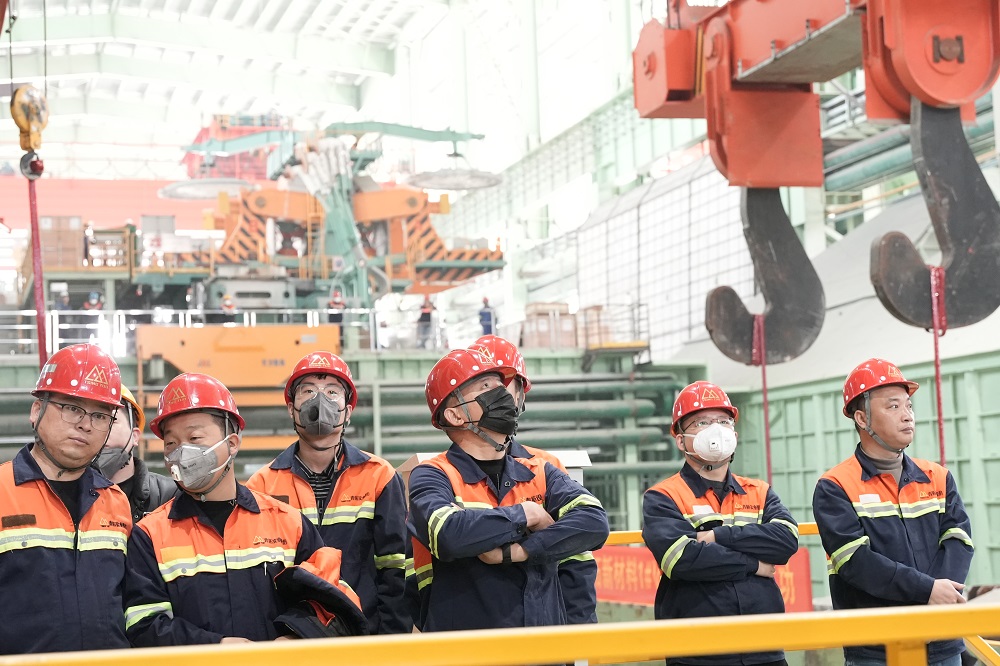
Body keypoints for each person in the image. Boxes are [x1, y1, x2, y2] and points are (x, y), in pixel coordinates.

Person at [124, 372, 368, 645]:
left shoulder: (289, 524)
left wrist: (296, 636)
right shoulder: (150, 536)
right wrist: (215, 647)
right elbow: (144, 625)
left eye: (194, 437)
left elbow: (333, 598)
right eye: (171, 443)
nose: (181, 451)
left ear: (232, 444)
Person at [407, 348, 609, 631]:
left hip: (542, 646)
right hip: (467, 648)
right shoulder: (434, 474)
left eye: (500, 385)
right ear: (454, 415)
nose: (502, 393)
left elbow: (594, 522)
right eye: (485, 386)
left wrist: (519, 550)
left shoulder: (539, 470)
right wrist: (527, 514)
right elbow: (449, 534)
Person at [813, 358, 973, 666]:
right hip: (876, 649)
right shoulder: (835, 486)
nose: (907, 415)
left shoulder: (938, 477)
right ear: (862, 418)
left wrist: (938, 600)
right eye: (893, 406)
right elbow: (855, 562)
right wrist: (927, 591)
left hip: (942, 642)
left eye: (909, 406)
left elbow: (959, 539)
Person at [247, 352, 410, 634]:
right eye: (308, 391)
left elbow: (395, 569)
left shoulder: (379, 476)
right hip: (292, 637)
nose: (320, 400)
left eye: (332, 392)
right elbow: (257, 579)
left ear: (348, 410)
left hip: (364, 634)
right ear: (291, 408)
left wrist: (389, 640)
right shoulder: (262, 486)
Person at [642, 380, 798, 666]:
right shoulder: (664, 496)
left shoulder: (759, 491)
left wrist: (719, 536)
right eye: (702, 422)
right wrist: (754, 564)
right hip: (697, 652)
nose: (716, 430)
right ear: (680, 440)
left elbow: (785, 541)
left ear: (734, 434)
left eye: (723, 421)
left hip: (764, 648)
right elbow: (681, 560)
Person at [0, 343, 132, 653]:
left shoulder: (115, 502)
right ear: (37, 410)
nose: (85, 424)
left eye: (100, 416)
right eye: (72, 408)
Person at [469, 334, 599, 624]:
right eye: (485, 386)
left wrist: (578, 633)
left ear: (520, 396)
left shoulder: (547, 467)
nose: (496, 396)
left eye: (503, 385)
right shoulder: (441, 472)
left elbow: (576, 558)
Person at [92, 385, 178, 523]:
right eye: (94, 419)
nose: (98, 428)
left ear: (135, 436)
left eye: (109, 419)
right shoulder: (68, 493)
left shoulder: (169, 496)